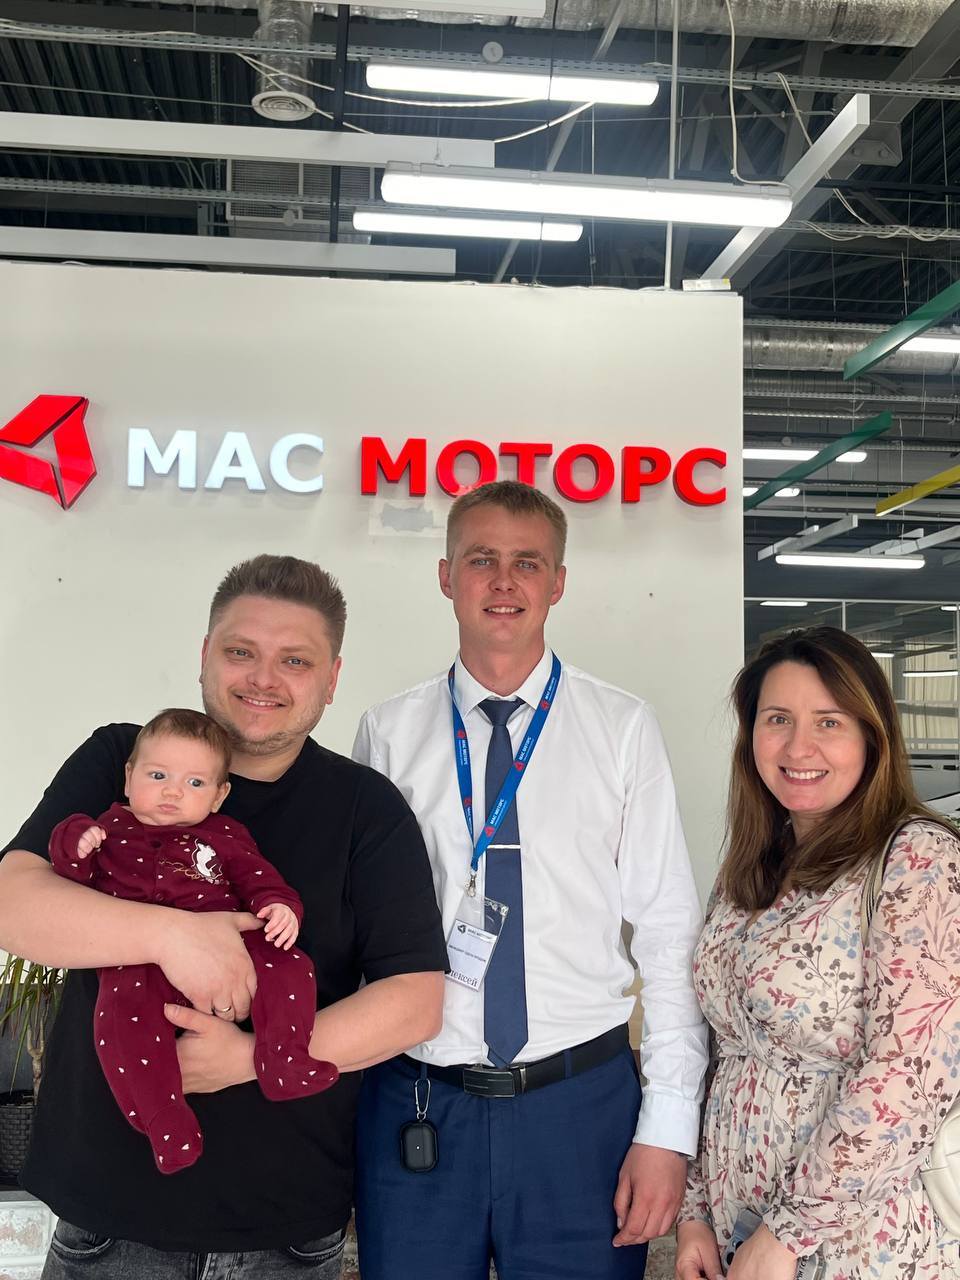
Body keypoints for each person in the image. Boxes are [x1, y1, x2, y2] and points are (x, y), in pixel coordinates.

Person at [0, 554, 447, 1279]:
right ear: (206, 655)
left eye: (295, 660)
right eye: (242, 651)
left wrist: (247, 1059)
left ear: (332, 678)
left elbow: (415, 1002)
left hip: (287, 1227)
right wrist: (173, 936)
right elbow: (13, 905)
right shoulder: (124, 757)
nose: (263, 678)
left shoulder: (364, 807)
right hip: (111, 1217)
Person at [352, 479, 708, 1280]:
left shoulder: (621, 728)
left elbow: (667, 932)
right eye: (481, 559)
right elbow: (358, 928)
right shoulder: (387, 732)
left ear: (559, 582)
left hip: (580, 1110)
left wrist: (668, 1127)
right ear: (446, 576)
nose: (504, 581)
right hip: (419, 1100)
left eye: (528, 562)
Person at [676, 626, 960, 1280]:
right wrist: (696, 1210)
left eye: (828, 722)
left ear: (871, 737)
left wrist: (788, 1234)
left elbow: (912, 1073)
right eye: (777, 719)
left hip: (860, 1237)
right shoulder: (753, 865)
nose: (799, 747)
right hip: (740, 1222)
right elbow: (723, 1051)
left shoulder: (917, 858)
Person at [49, 707, 339, 1175]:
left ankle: (284, 1058)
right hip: (136, 960)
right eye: (158, 775)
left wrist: (280, 906)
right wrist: (73, 840)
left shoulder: (224, 834)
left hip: (227, 941)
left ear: (220, 795)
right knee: (120, 1018)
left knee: (290, 965)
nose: (173, 791)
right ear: (128, 777)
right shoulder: (107, 829)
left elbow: (258, 878)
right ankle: (163, 1120)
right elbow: (69, 878)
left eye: (195, 783)